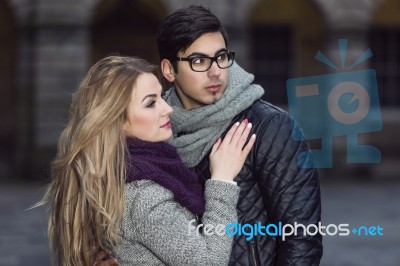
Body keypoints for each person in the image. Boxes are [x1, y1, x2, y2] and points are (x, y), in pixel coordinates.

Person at [40, 55, 256, 266]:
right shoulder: (142, 194)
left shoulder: (118, 171)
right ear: (115, 119)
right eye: (151, 103)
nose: (168, 109)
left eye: (161, 96)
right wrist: (222, 180)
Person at [156, 5, 322, 266]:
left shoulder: (271, 127)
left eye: (221, 57)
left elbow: (301, 239)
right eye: (198, 61)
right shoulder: (155, 130)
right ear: (168, 70)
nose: (215, 72)